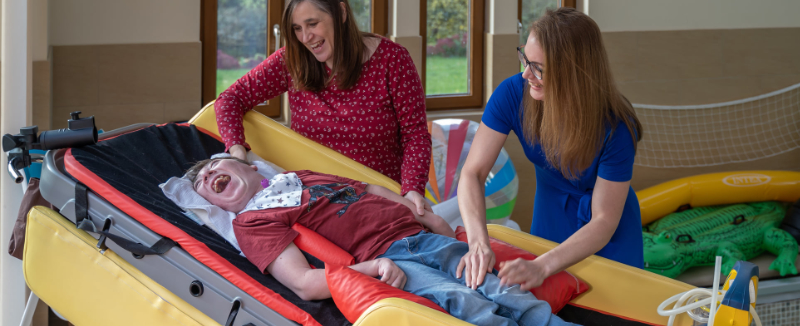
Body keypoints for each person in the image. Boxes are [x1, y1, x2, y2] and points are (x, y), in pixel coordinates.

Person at [187, 157, 576, 326]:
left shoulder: (296, 177)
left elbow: (368, 187)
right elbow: (304, 283)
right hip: (387, 258)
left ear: (249, 167)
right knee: (464, 300)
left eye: (213, 166)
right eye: (203, 184)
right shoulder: (252, 222)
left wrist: (428, 215)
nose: (208, 177)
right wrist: (371, 269)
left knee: (499, 285)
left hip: (417, 234)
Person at [456, 8, 644, 292]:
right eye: (525, 59)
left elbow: (604, 220)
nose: (525, 74)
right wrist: (478, 243)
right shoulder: (512, 95)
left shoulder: (615, 126)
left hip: (606, 232)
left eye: (539, 68)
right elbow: (473, 173)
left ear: (575, 71)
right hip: (550, 215)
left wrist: (543, 265)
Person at [214, 0, 432, 217]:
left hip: (380, 202)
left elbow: (415, 135)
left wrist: (413, 188)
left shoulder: (393, 60)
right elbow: (229, 99)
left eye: (312, 24)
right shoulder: (292, 60)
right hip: (314, 203)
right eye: (297, 28)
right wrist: (237, 154)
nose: (306, 38)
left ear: (340, 14)